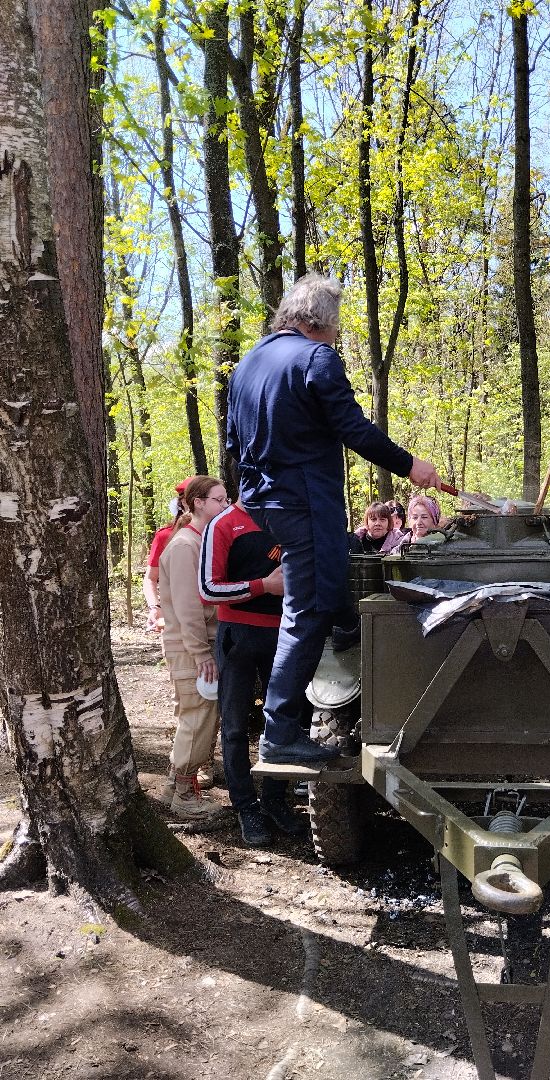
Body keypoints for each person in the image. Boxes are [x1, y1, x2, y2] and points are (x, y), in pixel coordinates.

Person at [227, 272, 441, 765]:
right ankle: (280, 733)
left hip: (260, 498)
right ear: (319, 322)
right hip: (302, 501)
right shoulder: (315, 357)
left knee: (327, 583)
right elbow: (353, 429)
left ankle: (346, 627)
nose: (338, 334)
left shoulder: (248, 363)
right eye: (337, 325)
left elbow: (234, 444)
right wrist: (411, 466)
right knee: (305, 611)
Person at [199, 502, 308, 846]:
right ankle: (245, 806)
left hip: (286, 635)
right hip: (238, 636)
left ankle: (275, 799)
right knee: (233, 727)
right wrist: (264, 586)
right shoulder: (223, 523)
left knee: (284, 720)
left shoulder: (289, 517)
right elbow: (208, 588)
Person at [159, 475, 229, 821]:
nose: (225, 505)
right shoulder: (186, 545)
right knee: (199, 716)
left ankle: (175, 786)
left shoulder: (200, 540)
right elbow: (189, 608)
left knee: (199, 714)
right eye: (218, 499)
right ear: (198, 502)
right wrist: (201, 654)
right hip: (191, 646)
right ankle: (185, 796)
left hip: (200, 642)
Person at [142, 477, 194, 631]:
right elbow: (151, 578)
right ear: (183, 502)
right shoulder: (165, 536)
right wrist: (155, 607)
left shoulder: (220, 532)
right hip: (176, 622)